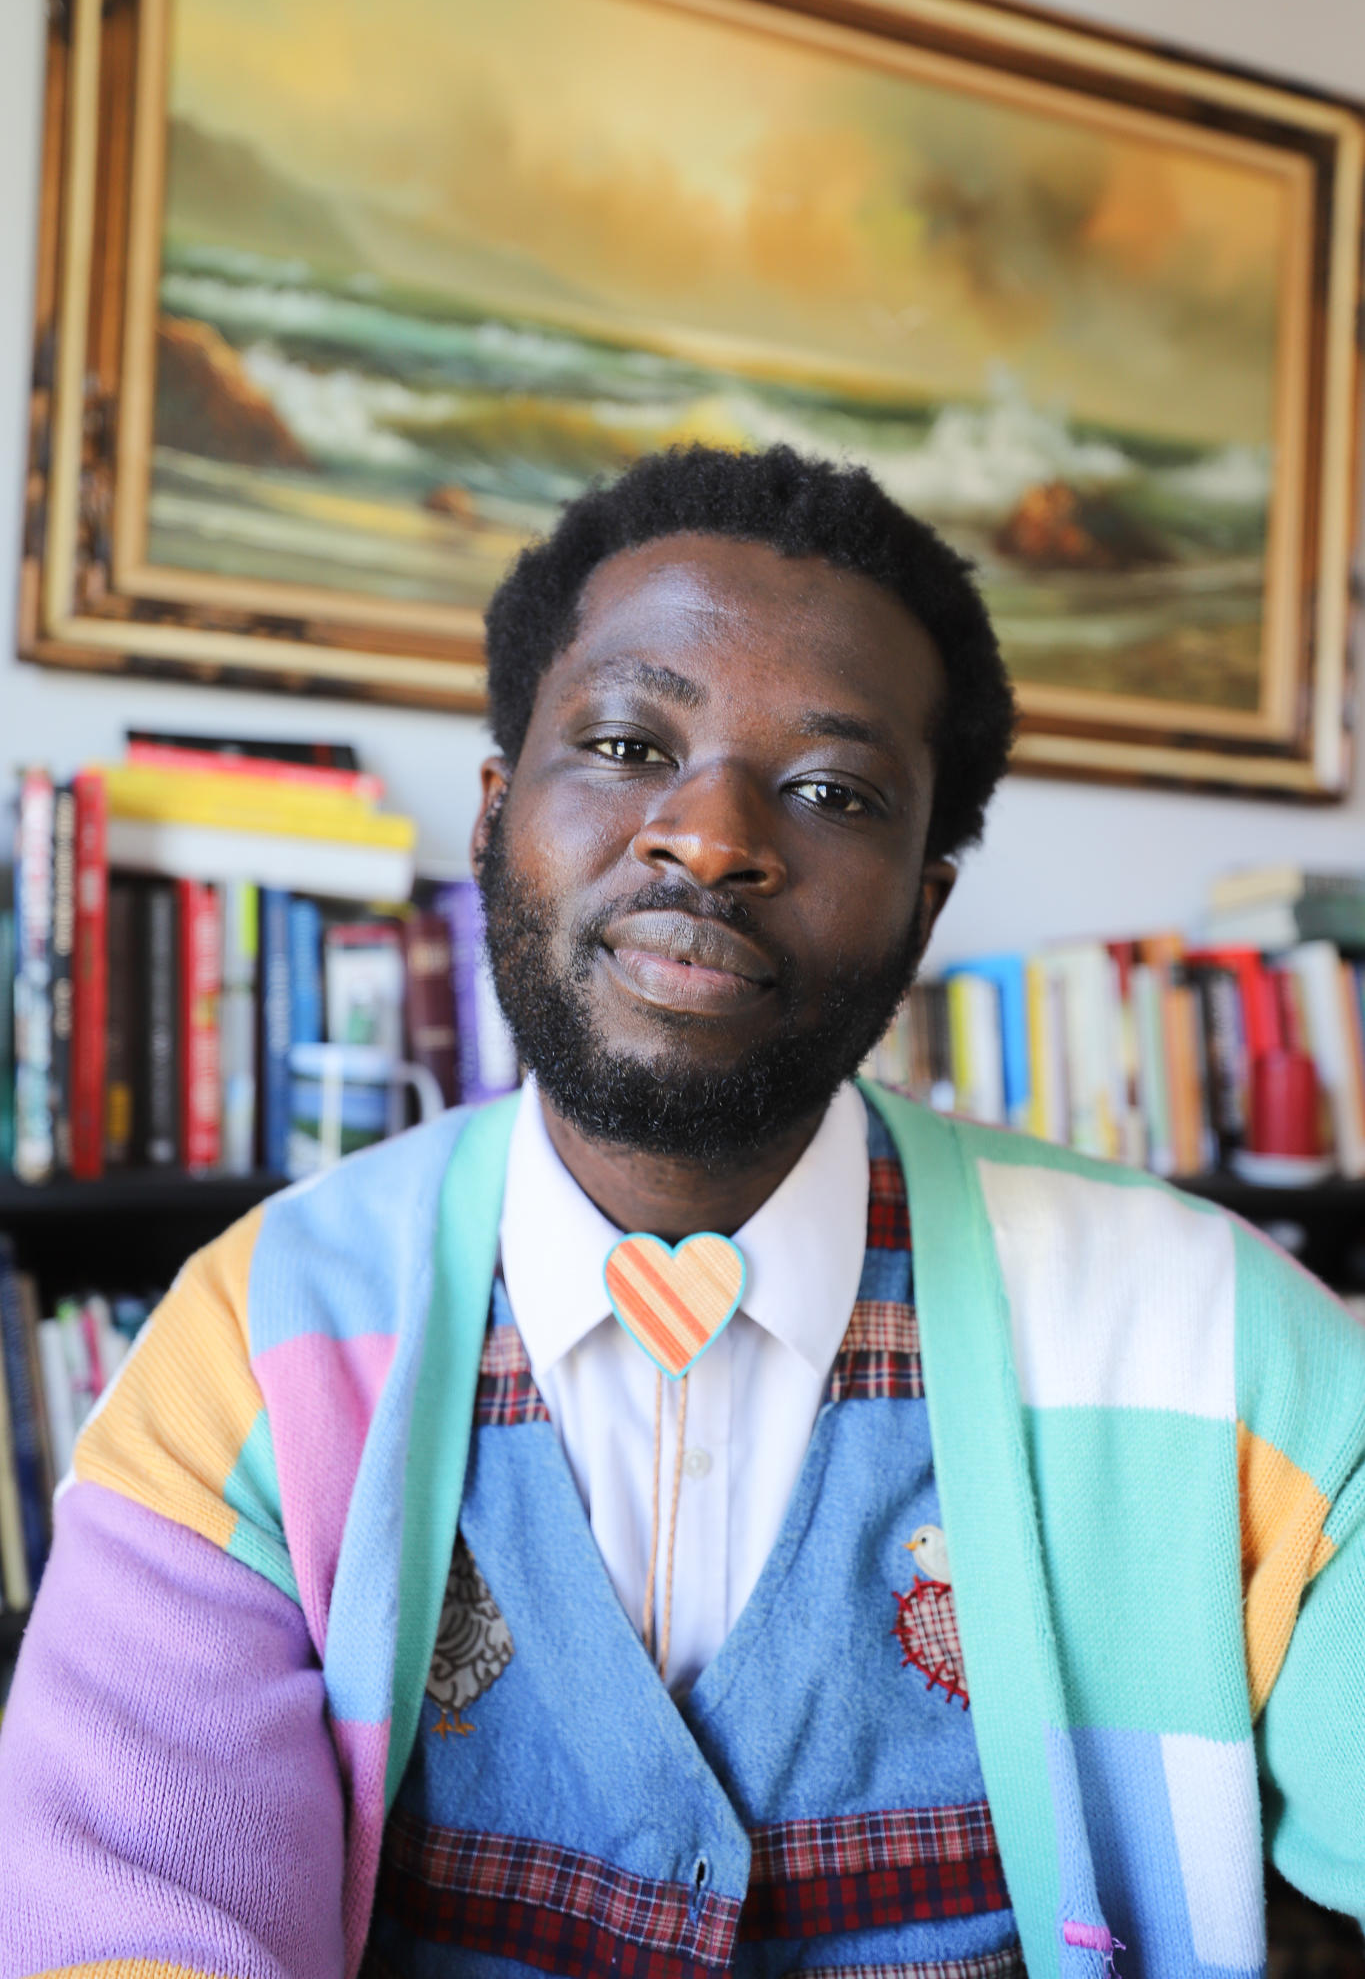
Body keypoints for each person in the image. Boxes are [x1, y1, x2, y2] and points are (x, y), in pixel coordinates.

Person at [1, 444, 1363, 1979]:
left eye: (830, 789)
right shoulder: (251, 1344)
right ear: (496, 815)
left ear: (924, 900)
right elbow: (127, 1927)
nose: (708, 837)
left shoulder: (1229, 1356)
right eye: (629, 745)